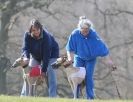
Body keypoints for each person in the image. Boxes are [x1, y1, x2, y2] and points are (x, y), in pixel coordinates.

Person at [66, 16, 116, 99]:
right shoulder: (74, 34)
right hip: (79, 58)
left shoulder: (93, 35)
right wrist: (70, 59)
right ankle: (76, 96)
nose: (86, 33)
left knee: (88, 76)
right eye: (84, 31)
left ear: (89, 29)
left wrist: (109, 61)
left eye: (87, 31)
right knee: (77, 76)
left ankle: (90, 97)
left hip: (91, 59)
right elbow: (69, 49)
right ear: (80, 28)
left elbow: (102, 48)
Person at [21, 19, 59, 97]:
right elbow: (25, 48)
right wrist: (26, 58)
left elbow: (46, 55)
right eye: (34, 30)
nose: (36, 32)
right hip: (36, 56)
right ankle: (25, 96)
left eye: (37, 29)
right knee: (29, 74)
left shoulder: (46, 37)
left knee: (51, 75)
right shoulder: (27, 35)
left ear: (40, 28)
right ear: (30, 30)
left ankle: (53, 96)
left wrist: (43, 70)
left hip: (51, 55)